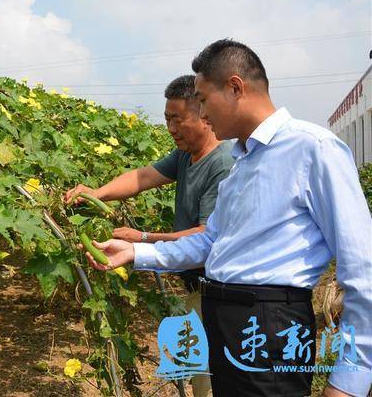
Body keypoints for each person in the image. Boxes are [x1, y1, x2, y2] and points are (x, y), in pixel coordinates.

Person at [82, 39, 372, 397]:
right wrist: (135, 254)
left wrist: (349, 381)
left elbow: (363, 269)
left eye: (203, 100)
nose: (202, 114)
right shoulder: (242, 164)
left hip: (268, 325)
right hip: (226, 319)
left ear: (235, 87)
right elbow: (210, 241)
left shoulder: (314, 149)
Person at [65, 74, 234, 397]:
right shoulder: (186, 153)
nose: (170, 128)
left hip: (217, 294)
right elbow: (143, 177)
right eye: (167, 118)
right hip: (197, 291)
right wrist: (95, 193)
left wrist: (142, 238)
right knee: (201, 379)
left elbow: (205, 235)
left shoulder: (221, 163)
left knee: (211, 383)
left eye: (177, 119)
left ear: (203, 115)